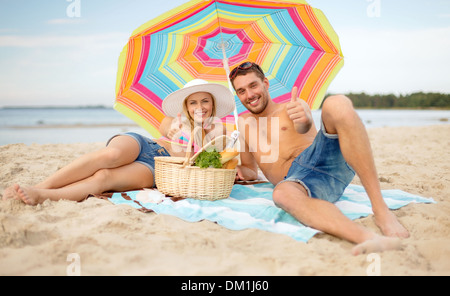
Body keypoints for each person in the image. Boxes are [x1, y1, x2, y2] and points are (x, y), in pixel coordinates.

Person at [229, 62, 409, 255]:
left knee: (335, 103)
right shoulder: (243, 123)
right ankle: (369, 239)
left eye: (253, 85)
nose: (249, 95)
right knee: (281, 195)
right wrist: (239, 173)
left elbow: (304, 125)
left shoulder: (292, 106)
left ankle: (381, 210)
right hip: (300, 183)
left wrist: (304, 119)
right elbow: (249, 169)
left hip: (323, 159)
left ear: (265, 83)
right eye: (241, 91)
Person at [2, 79, 235, 206]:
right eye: (193, 102)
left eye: (205, 101)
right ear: (186, 106)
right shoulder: (176, 120)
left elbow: (223, 162)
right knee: (110, 156)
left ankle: (42, 196)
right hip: (145, 144)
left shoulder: (219, 131)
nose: (200, 107)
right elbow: (165, 128)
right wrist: (176, 129)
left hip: (158, 168)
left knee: (104, 177)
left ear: (213, 104)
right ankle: (43, 185)